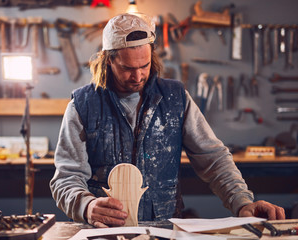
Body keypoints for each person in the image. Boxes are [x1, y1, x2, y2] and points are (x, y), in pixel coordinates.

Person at [50, 13, 285, 228]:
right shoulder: (83, 104)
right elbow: (65, 178)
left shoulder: (175, 98)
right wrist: (87, 206)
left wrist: (242, 203)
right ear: (108, 60)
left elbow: (214, 160)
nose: (138, 76)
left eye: (144, 65)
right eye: (127, 68)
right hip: (100, 232)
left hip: (164, 230)